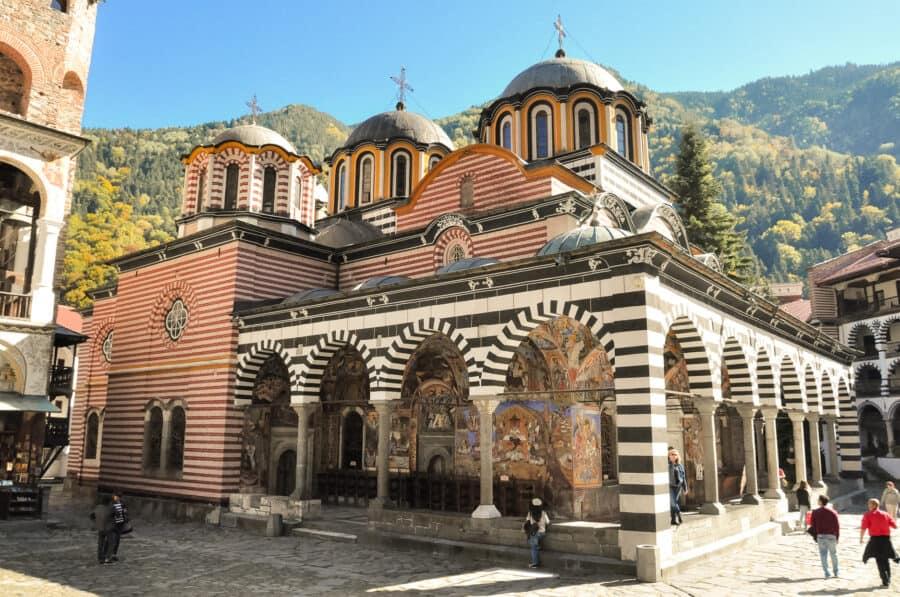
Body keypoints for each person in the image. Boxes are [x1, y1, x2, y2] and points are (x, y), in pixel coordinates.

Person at [860, 498, 900, 587]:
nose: (868, 506)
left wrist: (861, 538)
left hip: (875, 540)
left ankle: (885, 580)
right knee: (885, 559)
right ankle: (888, 578)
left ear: (874, 505)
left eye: (869, 504)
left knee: (879, 560)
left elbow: (863, 527)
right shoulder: (885, 514)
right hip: (886, 539)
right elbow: (895, 526)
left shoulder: (868, 515)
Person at [809, 495, 839, 579]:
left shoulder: (815, 512)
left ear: (821, 501)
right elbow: (837, 526)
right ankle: (836, 572)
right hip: (831, 535)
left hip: (821, 536)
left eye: (818, 500)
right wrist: (837, 537)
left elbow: (812, 525)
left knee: (823, 555)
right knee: (834, 554)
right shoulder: (833, 512)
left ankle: (827, 573)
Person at [523, 497, 550, 568]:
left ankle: (535, 563)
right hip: (542, 532)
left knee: (533, 548)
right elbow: (548, 522)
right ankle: (538, 545)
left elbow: (527, 521)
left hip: (534, 533)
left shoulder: (530, 513)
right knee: (536, 544)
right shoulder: (543, 512)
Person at [90, 495, 116, 564]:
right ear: (109, 502)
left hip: (100, 528)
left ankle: (100, 558)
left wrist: (96, 522)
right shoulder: (110, 508)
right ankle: (108, 558)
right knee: (111, 543)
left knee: (100, 544)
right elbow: (115, 516)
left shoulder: (98, 507)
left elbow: (92, 516)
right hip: (108, 528)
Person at [668, 448, 687, 526]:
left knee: (674, 503)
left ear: (677, 456)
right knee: (673, 502)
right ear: (669, 456)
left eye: (675, 454)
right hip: (670, 487)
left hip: (678, 487)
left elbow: (683, 477)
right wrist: (671, 463)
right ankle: (679, 513)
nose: (673, 455)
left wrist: (685, 488)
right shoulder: (667, 465)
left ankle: (673, 520)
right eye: (671, 454)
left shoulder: (680, 466)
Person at [110, 490, 129, 561]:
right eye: (116, 496)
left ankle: (114, 554)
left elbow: (126, 511)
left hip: (120, 523)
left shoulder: (122, 503)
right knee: (112, 539)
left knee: (117, 540)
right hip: (112, 524)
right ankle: (109, 554)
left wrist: (125, 512)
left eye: (118, 497)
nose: (117, 498)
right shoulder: (111, 503)